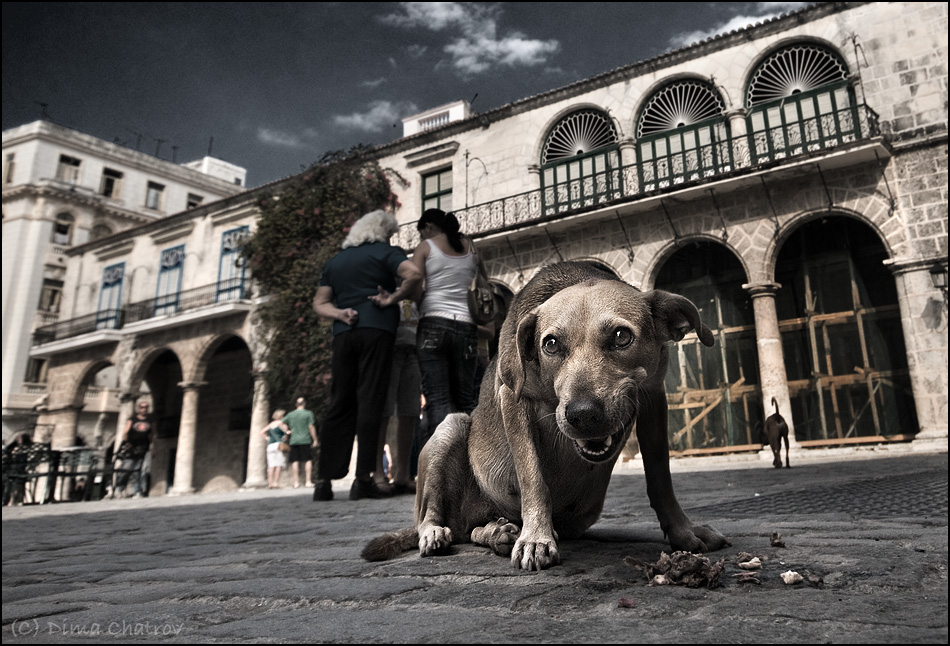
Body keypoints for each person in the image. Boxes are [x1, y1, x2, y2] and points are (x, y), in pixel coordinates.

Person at [312, 209, 422, 501]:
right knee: (370, 399)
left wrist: (339, 312)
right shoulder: (386, 253)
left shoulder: (336, 261)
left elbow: (320, 303)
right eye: (389, 232)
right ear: (382, 231)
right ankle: (362, 480)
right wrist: (394, 298)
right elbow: (413, 274)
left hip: (343, 334)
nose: (390, 237)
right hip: (377, 331)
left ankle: (323, 481)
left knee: (340, 400)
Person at [411, 208, 480, 443]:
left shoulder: (426, 247)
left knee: (438, 399)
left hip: (433, 323)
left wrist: (420, 302)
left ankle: (441, 463)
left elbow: (413, 283)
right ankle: (472, 461)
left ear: (429, 227)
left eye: (422, 233)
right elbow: (482, 284)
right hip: (467, 325)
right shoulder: (470, 247)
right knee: (467, 400)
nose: (422, 238)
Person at [375, 297, 421, 495]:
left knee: (410, 410)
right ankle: (378, 473)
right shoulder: (384, 282)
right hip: (390, 348)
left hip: (413, 348)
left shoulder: (416, 285)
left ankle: (402, 474)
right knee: (383, 412)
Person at [114, 400, 155, 498]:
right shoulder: (132, 419)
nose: (144, 409)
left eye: (146, 407)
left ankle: (138, 491)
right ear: (138, 408)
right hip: (132, 447)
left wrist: (154, 448)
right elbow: (125, 432)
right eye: (142, 407)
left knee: (140, 471)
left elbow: (153, 435)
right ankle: (119, 488)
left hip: (144, 448)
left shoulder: (150, 420)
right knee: (126, 469)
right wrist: (125, 444)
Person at [282, 398, 317, 489]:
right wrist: (315, 439)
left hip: (294, 440)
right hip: (305, 439)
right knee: (308, 460)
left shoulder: (291, 414)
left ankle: (296, 482)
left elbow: (281, 423)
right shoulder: (308, 413)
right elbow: (311, 427)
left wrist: (287, 431)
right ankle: (308, 481)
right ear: (304, 403)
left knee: (294, 461)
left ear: (296, 404)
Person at [260, 408, 289, 489]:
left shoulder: (271, 424)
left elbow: (261, 432)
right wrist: (287, 432)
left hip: (270, 446)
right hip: (279, 445)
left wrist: (267, 438)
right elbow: (285, 434)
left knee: (271, 466)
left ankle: (270, 483)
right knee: (278, 464)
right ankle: (276, 483)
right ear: (281, 416)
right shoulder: (281, 423)